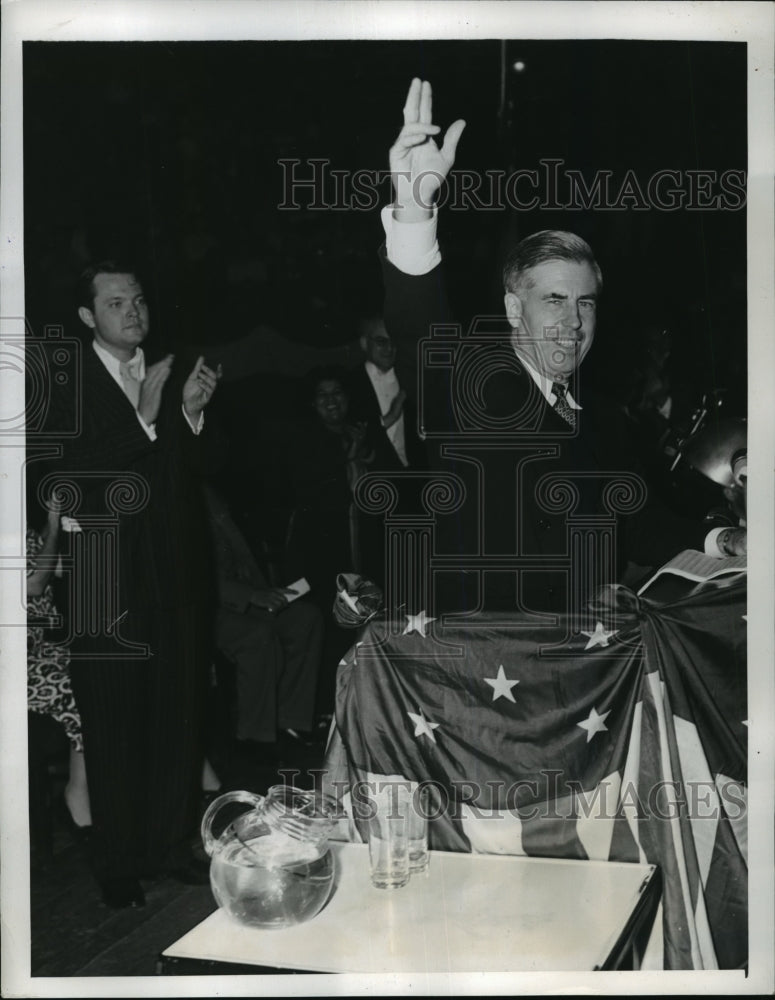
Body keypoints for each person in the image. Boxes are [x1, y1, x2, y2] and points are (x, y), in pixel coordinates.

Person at [379, 78, 746, 615]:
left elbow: (638, 524)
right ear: (512, 310)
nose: (573, 321)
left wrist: (723, 542)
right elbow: (417, 329)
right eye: (554, 300)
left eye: (587, 303)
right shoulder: (468, 387)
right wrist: (413, 207)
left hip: (586, 672)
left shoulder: (603, 417)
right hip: (482, 667)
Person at [45, 261, 222, 908]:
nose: (133, 311)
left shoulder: (171, 371)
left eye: (138, 299)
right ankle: (118, 859)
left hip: (174, 571)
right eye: (115, 302)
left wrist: (193, 416)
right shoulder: (63, 383)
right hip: (100, 577)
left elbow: (203, 473)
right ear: (88, 317)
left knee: (177, 718)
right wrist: (143, 419)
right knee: (112, 723)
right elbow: (63, 473)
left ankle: (173, 845)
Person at [202, 482, 323, 762]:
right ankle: (254, 737)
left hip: (242, 596)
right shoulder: (173, 496)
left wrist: (266, 590)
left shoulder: (210, 491)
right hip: (208, 606)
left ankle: (291, 722)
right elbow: (191, 575)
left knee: (305, 619)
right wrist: (251, 595)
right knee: (257, 636)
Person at [345, 316, 427, 589]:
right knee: (380, 570)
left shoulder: (411, 375)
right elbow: (351, 438)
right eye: (381, 341)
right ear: (364, 343)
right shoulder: (348, 384)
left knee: (417, 568)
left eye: (393, 341)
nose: (389, 348)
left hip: (415, 483)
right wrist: (389, 418)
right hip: (375, 486)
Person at [26, 494, 91, 833]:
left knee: (106, 669)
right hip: (16, 658)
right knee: (81, 682)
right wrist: (53, 522)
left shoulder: (16, 528)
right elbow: (34, 583)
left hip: (40, 646)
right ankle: (78, 795)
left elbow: (54, 565)